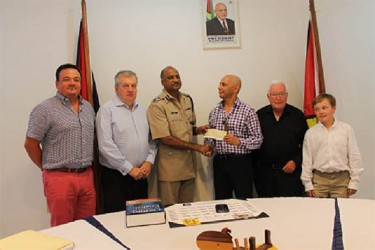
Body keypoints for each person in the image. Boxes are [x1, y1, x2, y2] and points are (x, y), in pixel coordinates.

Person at [24, 63, 96, 226]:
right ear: (57, 84)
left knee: (88, 226)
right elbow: (30, 144)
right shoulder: (45, 109)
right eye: (66, 79)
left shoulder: (89, 108)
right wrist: (46, 166)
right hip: (59, 177)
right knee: (62, 229)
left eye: (76, 79)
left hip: (86, 176)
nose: (72, 83)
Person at [147, 66, 211, 206]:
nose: (175, 80)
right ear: (162, 82)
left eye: (177, 76)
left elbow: (185, 128)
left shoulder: (187, 99)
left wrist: (198, 130)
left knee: (187, 209)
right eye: (170, 77)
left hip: (189, 166)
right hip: (170, 170)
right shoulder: (157, 105)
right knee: (171, 211)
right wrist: (197, 147)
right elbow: (165, 138)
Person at [96, 70, 158, 213]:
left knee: (141, 218)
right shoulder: (106, 110)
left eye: (133, 85)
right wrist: (129, 169)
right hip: (116, 177)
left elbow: (152, 140)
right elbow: (105, 145)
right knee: (117, 219)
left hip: (141, 175)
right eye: (125, 86)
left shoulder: (142, 110)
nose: (130, 89)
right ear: (116, 88)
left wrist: (149, 161)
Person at [204, 75, 263, 200]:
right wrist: (208, 147)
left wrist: (239, 141)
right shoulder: (215, 111)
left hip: (240, 163)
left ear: (235, 89)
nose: (219, 87)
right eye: (220, 84)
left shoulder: (248, 111)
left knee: (244, 200)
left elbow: (258, 139)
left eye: (223, 84)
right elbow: (211, 138)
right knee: (221, 201)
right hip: (220, 161)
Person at [301, 93, 363, 198]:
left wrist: (354, 181)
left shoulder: (346, 129)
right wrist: (308, 184)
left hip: (341, 180)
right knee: (318, 211)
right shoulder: (311, 133)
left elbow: (354, 156)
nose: (321, 112)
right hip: (319, 180)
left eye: (324, 108)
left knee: (340, 211)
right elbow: (307, 160)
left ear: (333, 108)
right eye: (317, 109)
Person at [253, 81, 308, 197]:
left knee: (289, 210)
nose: (278, 98)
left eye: (282, 94)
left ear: (287, 96)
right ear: (268, 97)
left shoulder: (298, 116)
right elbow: (253, 142)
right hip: (264, 175)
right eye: (274, 95)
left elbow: (307, 144)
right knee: (267, 210)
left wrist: (295, 161)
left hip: (290, 175)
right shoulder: (259, 115)